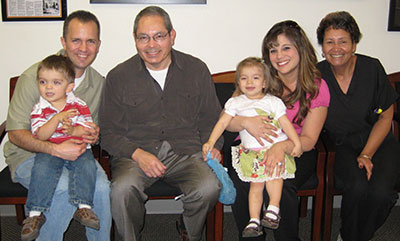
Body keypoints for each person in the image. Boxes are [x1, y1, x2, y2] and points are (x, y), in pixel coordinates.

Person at [99, 6, 222, 241]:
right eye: (143, 37)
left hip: (186, 152)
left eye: (159, 36)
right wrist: (137, 154)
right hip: (136, 153)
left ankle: (187, 226)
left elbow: (210, 118)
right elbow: (108, 132)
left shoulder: (196, 70)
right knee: (121, 191)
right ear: (135, 40)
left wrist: (212, 144)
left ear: (172, 36)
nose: (151, 45)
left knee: (209, 187)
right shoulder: (119, 76)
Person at [4, 10, 111, 241]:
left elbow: (97, 132)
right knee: (61, 188)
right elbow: (14, 133)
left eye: (90, 41)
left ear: (98, 45)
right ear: (63, 42)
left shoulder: (99, 84)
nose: (83, 48)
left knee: (102, 189)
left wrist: (94, 135)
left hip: (78, 157)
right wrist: (54, 149)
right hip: (30, 155)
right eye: (76, 40)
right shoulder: (37, 76)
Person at [226, 20, 330, 241]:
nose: (279, 55)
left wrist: (281, 147)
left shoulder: (316, 86)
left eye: (286, 48)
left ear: (300, 49)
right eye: (273, 50)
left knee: (283, 184)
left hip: (295, 146)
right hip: (249, 146)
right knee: (243, 183)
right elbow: (228, 121)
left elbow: (309, 139)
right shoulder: (258, 78)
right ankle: (251, 236)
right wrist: (245, 122)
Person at [316, 11, 400, 241]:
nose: (336, 48)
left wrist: (367, 154)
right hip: (339, 143)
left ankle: (353, 236)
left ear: (354, 43)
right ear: (322, 47)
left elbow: (385, 116)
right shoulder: (317, 74)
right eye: (329, 42)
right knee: (357, 187)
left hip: (378, 140)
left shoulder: (372, 68)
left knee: (382, 193)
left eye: (343, 41)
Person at [203, 57, 302, 238]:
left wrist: (296, 142)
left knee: (274, 178)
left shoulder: (273, 101)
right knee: (255, 186)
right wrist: (210, 141)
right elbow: (222, 123)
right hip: (252, 154)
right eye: (244, 78)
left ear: (264, 82)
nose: (249, 82)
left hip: (274, 150)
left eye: (255, 78)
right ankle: (254, 220)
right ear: (238, 82)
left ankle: (273, 209)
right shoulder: (235, 103)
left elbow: (286, 124)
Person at [21, 55, 100, 241]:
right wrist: (56, 118)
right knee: (41, 169)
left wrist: (74, 130)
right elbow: (40, 135)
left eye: (56, 82)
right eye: (43, 82)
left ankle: (83, 207)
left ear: (69, 87)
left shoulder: (78, 105)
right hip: (50, 149)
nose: (48, 87)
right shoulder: (39, 108)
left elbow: (87, 129)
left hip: (78, 148)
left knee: (88, 166)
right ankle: (35, 214)